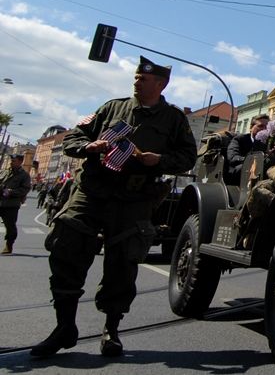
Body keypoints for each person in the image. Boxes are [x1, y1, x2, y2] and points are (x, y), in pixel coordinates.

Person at [31, 56, 198, 359]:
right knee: (67, 250)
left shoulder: (173, 119)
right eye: (136, 76)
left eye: (144, 78)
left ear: (161, 84)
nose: (137, 80)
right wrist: (88, 147)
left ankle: (111, 330)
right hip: (93, 190)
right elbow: (74, 136)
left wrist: (158, 160)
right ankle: (64, 327)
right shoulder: (112, 107)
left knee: (123, 264)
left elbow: (188, 157)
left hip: (134, 199)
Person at [0, 153, 32, 254]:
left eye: (14, 160)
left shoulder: (24, 175)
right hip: (0, 201)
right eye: (11, 160)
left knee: (10, 226)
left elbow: (25, 189)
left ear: (20, 162)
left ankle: (9, 246)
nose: (11, 162)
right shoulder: (5, 171)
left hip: (11, 204)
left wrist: (10, 192)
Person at [225, 114, 269, 186]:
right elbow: (233, 158)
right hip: (238, 176)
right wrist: (254, 160)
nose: (264, 129)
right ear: (251, 127)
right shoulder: (239, 139)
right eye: (260, 126)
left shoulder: (268, 142)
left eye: (266, 127)